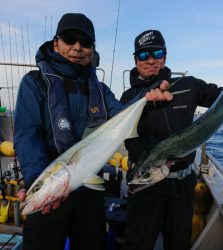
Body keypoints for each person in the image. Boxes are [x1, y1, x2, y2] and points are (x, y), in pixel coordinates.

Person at [14, 15, 172, 250]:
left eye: (85, 42)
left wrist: (149, 99)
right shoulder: (34, 82)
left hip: (89, 191)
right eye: (69, 39)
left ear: (92, 49)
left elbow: (124, 115)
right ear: (56, 43)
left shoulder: (100, 90)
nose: (77, 47)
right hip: (51, 187)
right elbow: (27, 134)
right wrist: (36, 181)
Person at [120, 29, 223, 250]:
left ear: (165, 56)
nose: (150, 60)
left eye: (156, 53)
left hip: (183, 184)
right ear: (135, 60)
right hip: (146, 186)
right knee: (137, 242)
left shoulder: (189, 84)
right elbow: (130, 141)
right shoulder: (128, 98)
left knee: (178, 241)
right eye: (143, 55)